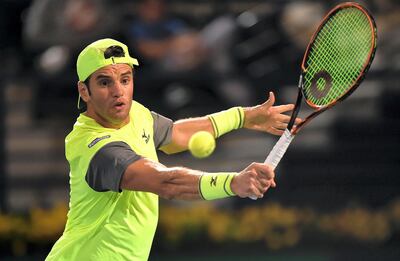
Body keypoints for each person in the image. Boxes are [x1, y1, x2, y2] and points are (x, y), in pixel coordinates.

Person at [45, 38, 300, 261]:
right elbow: (166, 182)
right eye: (104, 83)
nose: (118, 92)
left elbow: (176, 134)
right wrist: (233, 183)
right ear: (84, 91)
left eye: (125, 79)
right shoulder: (94, 146)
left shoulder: (136, 114)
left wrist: (242, 117)